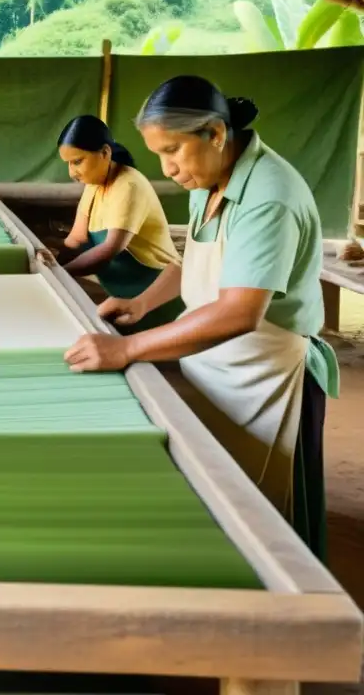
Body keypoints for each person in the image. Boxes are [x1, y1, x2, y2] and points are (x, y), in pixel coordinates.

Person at [64, 75, 336, 560]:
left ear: (215, 133)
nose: (167, 169)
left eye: (174, 151)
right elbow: (193, 259)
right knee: (226, 498)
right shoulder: (209, 177)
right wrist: (144, 302)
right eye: (159, 155)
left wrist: (126, 348)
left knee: (273, 523)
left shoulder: (268, 195)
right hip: (219, 366)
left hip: (269, 374)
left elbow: (238, 312)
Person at [47, 115, 183, 333]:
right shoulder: (94, 184)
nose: (72, 173)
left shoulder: (128, 185)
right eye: (69, 164)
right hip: (123, 297)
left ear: (104, 153)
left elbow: (109, 250)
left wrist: (59, 273)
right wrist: (47, 255)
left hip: (156, 298)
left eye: (77, 161)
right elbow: (76, 239)